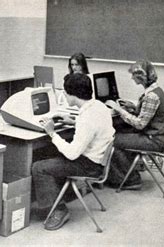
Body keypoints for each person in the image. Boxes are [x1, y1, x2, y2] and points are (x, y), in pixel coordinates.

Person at [32, 73, 115, 231]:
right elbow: (93, 128)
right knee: (51, 154)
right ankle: (59, 197)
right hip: (98, 160)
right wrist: (74, 122)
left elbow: (72, 154)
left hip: (89, 166)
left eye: (65, 92)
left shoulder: (87, 118)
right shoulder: (99, 106)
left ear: (73, 94)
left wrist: (52, 133)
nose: (64, 94)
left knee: (39, 167)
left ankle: (58, 210)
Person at [105, 60, 164, 189]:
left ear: (140, 76)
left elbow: (140, 124)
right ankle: (126, 173)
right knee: (121, 133)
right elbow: (149, 115)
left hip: (155, 140)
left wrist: (119, 110)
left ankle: (130, 180)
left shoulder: (151, 96)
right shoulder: (155, 90)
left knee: (112, 140)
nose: (131, 78)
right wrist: (134, 108)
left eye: (133, 75)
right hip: (157, 135)